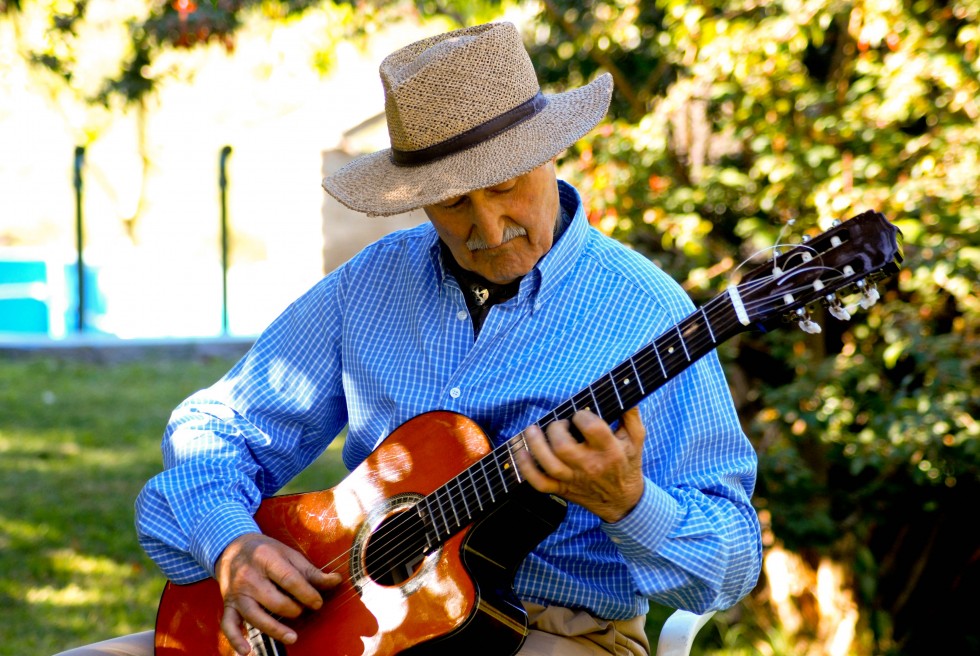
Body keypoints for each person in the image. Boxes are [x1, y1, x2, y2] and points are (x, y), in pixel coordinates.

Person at [56, 21, 762, 656]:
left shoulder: (647, 315)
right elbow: (214, 429)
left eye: (510, 187)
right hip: (337, 621)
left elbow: (729, 567)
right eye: (455, 202)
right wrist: (232, 545)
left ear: (554, 153)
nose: (489, 230)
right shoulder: (371, 284)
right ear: (415, 195)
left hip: (553, 632)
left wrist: (628, 501)